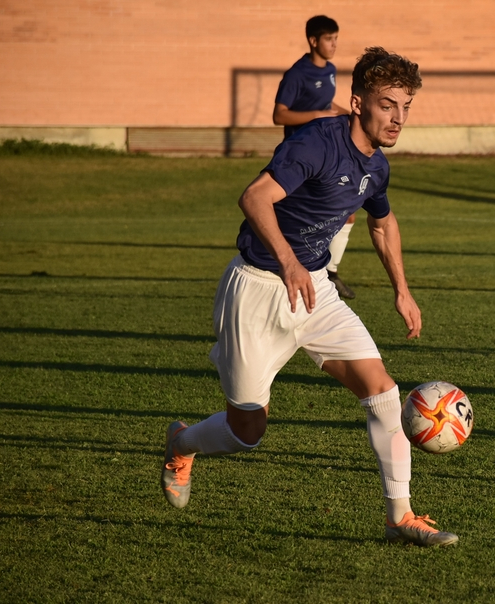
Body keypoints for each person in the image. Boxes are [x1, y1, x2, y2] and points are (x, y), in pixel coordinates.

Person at [162, 47, 458, 547]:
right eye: (388, 105)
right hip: (257, 290)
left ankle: (399, 516)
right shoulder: (315, 144)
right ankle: (182, 443)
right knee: (247, 431)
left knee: (383, 393)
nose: (399, 118)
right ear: (358, 101)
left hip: (315, 291)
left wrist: (403, 292)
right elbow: (255, 197)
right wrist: (290, 261)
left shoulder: (376, 166)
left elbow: (382, 224)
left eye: (406, 107)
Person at [273, 15, 357, 300]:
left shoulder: (330, 70)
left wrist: (348, 114)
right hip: (301, 156)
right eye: (329, 39)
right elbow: (279, 114)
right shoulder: (297, 74)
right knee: (298, 219)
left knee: (349, 210)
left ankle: (330, 272)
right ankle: (284, 270)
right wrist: (318, 115)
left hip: (329, 151)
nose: (334, 44)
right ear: (313, 41)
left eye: (336, 39)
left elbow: (325, 104)